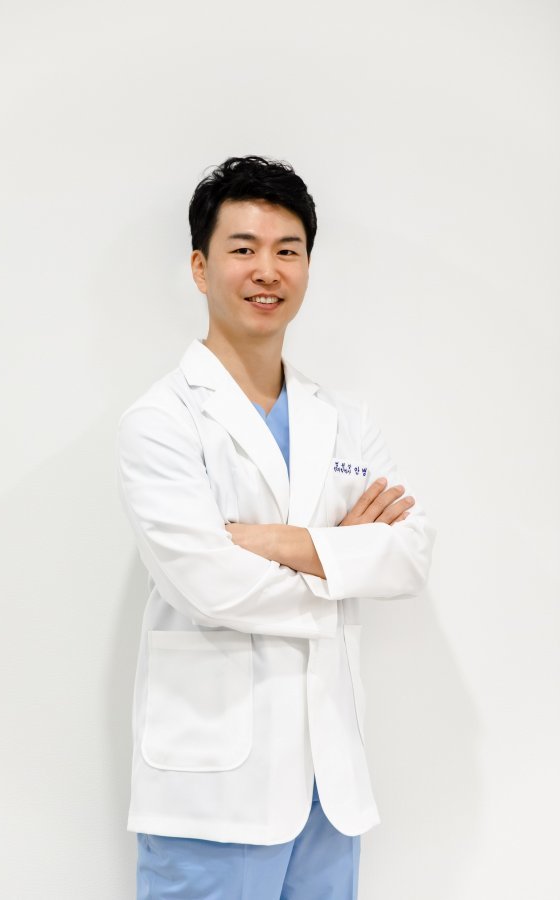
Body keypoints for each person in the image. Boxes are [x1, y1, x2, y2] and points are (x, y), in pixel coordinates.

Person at [116, 155, 436, 899]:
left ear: (307, 268)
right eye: (243, 249)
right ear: (200, 268)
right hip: (214, 790)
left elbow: (410, 553)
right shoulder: (162, 420)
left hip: (331, 785)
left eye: (287, 250)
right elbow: (209, 586)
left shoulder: (344, 420)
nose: (268, 270)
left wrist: (276, 543)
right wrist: (344, 565)